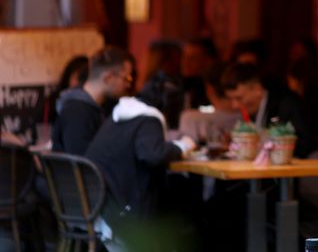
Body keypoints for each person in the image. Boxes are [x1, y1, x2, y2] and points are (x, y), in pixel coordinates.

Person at [85, 75, 196, 246]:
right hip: (123, 210)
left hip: (102, 201)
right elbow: (153, 154)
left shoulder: (123, 113)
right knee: (184, 198)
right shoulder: (149, 119)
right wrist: (182, 146)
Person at [51, 46, 133, 155]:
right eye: (126, 78)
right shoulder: (77, 112)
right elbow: (84, 163)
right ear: (108, 78)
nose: (128, 84)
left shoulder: (93, 107)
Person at [221, 62, 314, 157]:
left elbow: (304, 145)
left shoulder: (287, 105)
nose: (234, 105)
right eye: (231, 99)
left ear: (257, 89)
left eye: (239, 98)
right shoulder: (251, 110)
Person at [181, 37, 218, 108]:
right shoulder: (180, 85)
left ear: (208, 61)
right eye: (184, 57)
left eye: (192, 58)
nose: (185, 62)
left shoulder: (216, 88)